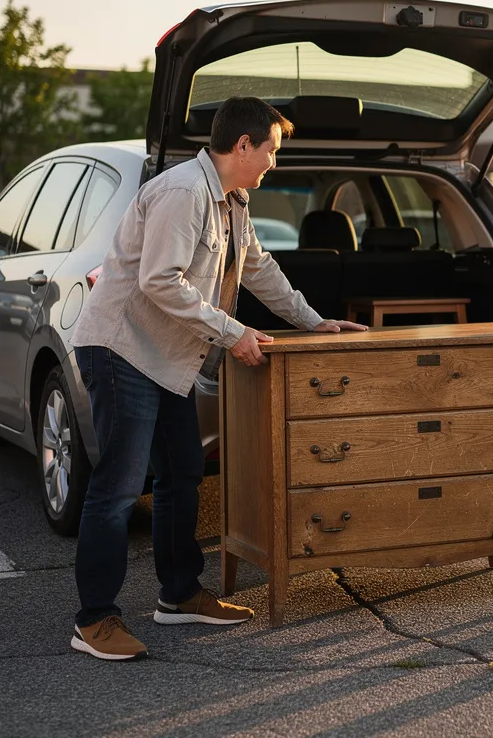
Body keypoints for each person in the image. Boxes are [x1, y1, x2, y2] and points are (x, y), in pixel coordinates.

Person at [67, 97, 367, 660]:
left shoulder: (232, 201)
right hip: (121, 350)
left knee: (181, 474)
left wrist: (314, 322)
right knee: (118, 488)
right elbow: (161, 280)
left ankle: (178, 596)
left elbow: (258, 269)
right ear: (243, 145)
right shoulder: (183, 193)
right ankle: (94, 620)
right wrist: (234, 333)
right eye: (271, 151)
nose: (273, 163)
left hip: (166, 359)